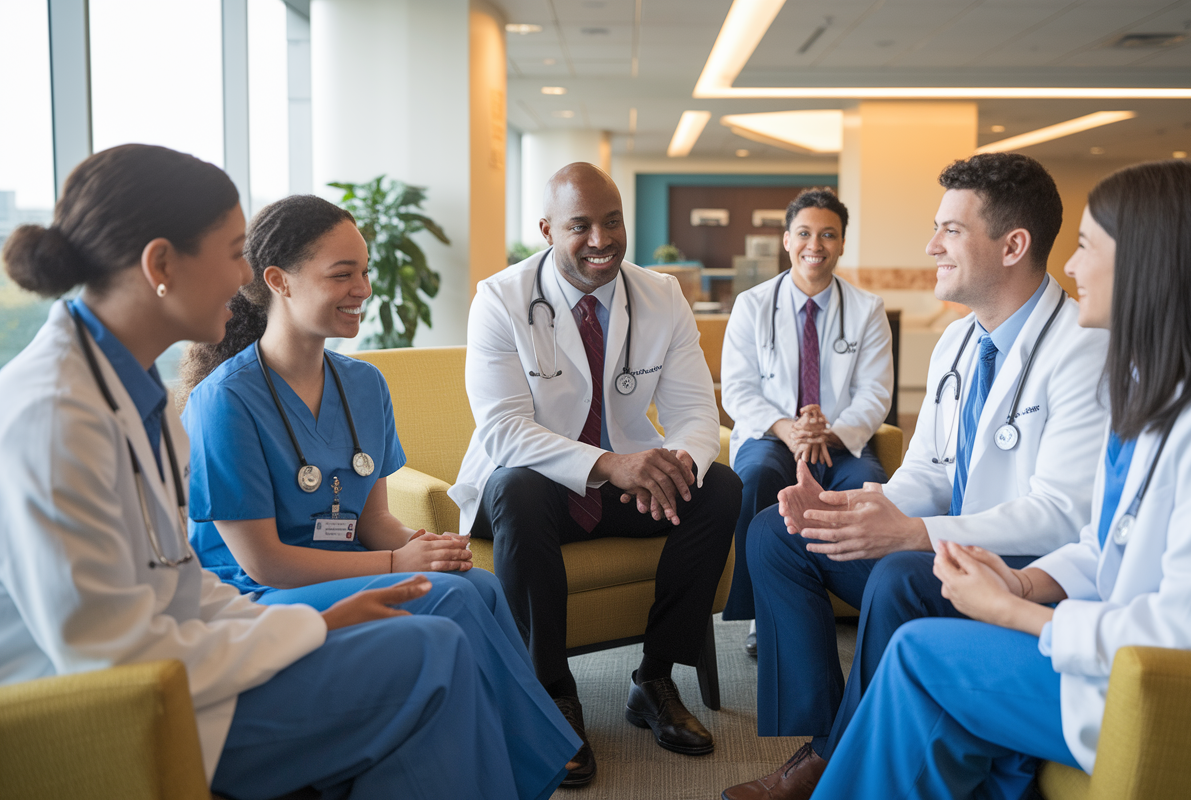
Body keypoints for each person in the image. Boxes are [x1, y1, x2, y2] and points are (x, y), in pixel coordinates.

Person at [0, 145, 577, 800]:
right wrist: (309, 625)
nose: (242, 275)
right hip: (118, 710)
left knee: (438, 636)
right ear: (160, 264)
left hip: (188, 660)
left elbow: (180, 585)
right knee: (430, 651)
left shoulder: (132, 395)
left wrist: (321, 621)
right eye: (232, 252)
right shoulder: (55, 415)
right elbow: (113, 655)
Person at [810, 158, 1191, 799]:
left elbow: (1187, 633)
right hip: (1119, 653)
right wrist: (1024, 581)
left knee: (920, 655)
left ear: (1151, 261)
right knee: (921, 656)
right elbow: (1105, 542)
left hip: (1175, 690)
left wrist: (1014, 612)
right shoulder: (1162, 390)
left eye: (1087, 247)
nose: (1073, 267)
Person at [723, 153, 1110, 800]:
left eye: (950, 231)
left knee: (904, 572)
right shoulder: (961, 342)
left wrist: (913, 533)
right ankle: (822, 734)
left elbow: (1063, 514)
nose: (931, 246)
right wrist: (865, 509)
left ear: (1013, 245)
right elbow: (929, 467)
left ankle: (832, 759)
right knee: (776, 534)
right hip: (948, 544)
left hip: (1021, 569)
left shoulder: (1082, 349)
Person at [178, 192, 579, 794]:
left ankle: (496, 766)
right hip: (259, 591)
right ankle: (531, 768)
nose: (362, 288)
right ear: (278, 281)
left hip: (346, 565)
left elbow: (374, 523)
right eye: (342, 274)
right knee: (452, 601)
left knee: (476, 584)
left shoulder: (365, 384)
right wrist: (396, 564)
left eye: (363, 271)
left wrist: (423, 546)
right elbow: (263, 562)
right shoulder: (226, 402)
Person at [453, 162, 741, 785]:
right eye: (580, 225)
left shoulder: (661, 294)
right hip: (538, 490)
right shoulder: (500, 298)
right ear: (547, 229)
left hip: (627, 488)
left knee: (719, 486)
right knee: (515, 485)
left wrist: (676, 464)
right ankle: (553, 696)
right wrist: (612, 463)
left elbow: (696, 413)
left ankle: (656, 678)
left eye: (612, 222)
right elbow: (502, 429)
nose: (601, 239)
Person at [720, 187, 893, 656]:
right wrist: (788, 428)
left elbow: (876, 392)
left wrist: (827, 433)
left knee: (869, 485)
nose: (814, 245)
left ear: (841, 244)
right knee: (755, 476)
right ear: (786, 240)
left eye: (828, 235)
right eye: (804, 233)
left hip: (840, 439)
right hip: (773, 434)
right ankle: (763, 611)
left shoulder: (867, 310)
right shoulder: (752, 305)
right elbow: (737, 388)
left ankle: (869, 602)